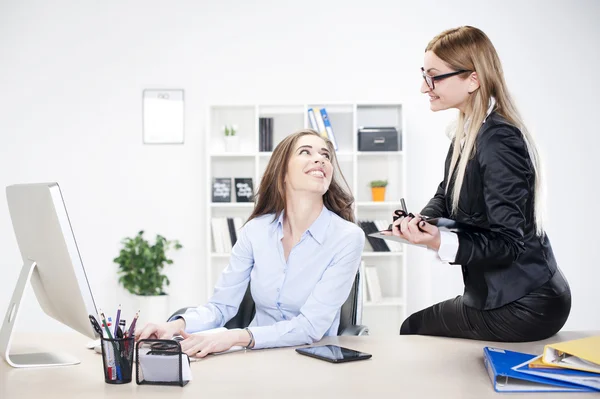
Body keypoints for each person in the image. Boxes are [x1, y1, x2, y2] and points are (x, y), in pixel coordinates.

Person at [390, 26, 571, 342]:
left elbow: (509, 244)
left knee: (412, 329)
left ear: (472, 79)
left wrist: (438, 242)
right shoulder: (468, 130)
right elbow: (448, 193)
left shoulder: (500, 140)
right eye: (424, 75)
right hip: (503, 296)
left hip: (526, 303)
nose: (424, 87)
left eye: (434, 77)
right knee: (414, 328)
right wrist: (421, 221)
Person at [136, 129, 365, 357]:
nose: (320, 159)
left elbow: (310, 327)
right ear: (282, 172)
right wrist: (174, 326)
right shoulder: (255, 231)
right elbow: (221, 306)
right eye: (305, 152)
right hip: (255, 356)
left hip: (311, 356)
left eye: (325, 155)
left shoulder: (347, 237)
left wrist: (236, 336)